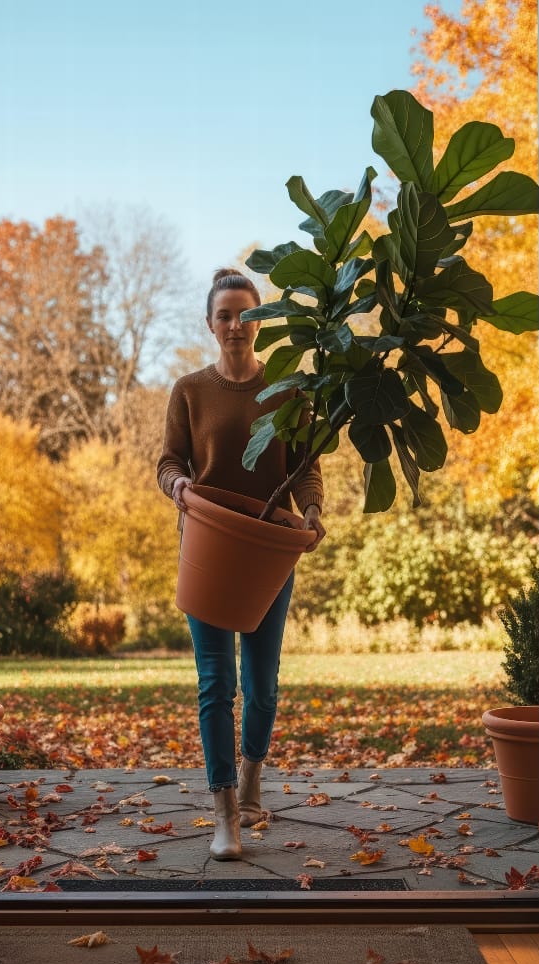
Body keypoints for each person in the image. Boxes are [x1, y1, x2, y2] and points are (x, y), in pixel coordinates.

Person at [156, 268, 325, 860]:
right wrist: (177, 485)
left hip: (268, 552)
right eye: (224, 315)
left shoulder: (288, 391)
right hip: (205, 549)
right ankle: (225, 811)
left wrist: (311, 511)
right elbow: (168, 462)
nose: (235, 325)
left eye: (245, 315)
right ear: (210, 324)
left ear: (259, 323)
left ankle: (253, 775)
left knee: (262, 686)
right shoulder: (189, 390)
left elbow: (305, 464)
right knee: (215, 684)